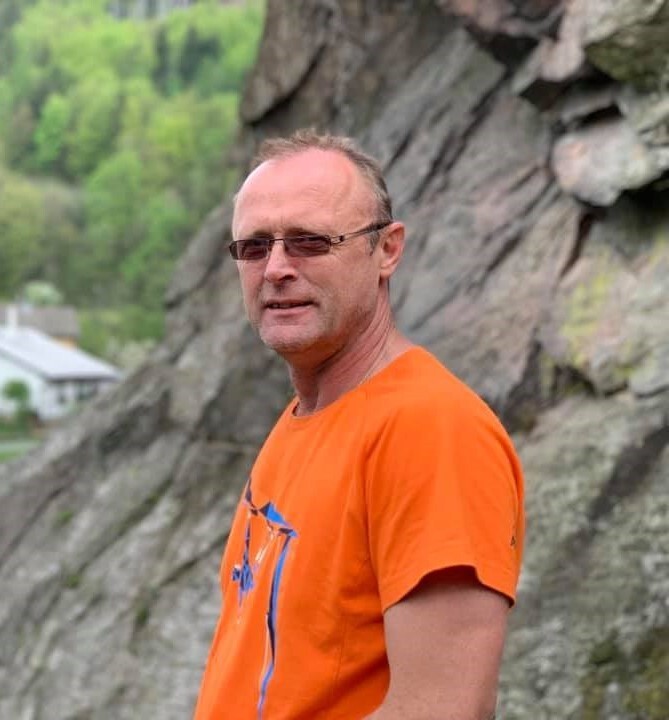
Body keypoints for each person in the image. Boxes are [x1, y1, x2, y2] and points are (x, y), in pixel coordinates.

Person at [193, 129, 525, 720]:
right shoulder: (304, 417)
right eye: (254, 246)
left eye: (310, 242)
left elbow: (443, 709)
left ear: (387, 250)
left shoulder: (430, 428)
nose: (276, 269)